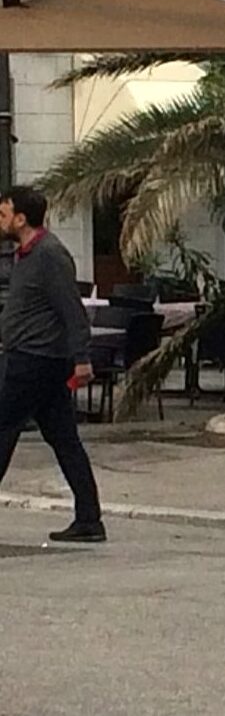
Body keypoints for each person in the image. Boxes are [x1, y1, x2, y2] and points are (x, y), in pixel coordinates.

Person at [0, 186, 104, 543]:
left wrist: (82, 359)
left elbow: (71, 310)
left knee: (3, 428)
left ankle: (90, 518)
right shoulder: (24, 255)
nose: (0, 220)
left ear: (21, 218)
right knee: (63, 439)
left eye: (4, 214)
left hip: (35, 361)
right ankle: (90, 519)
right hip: (30, 357)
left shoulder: (49, 255)